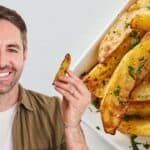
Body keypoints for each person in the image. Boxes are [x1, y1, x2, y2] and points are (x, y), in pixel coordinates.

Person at [0, 5, 91, 150]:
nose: (2, 62)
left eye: (12, 49)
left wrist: (72, 126)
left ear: (24, 54)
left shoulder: (54, 111)